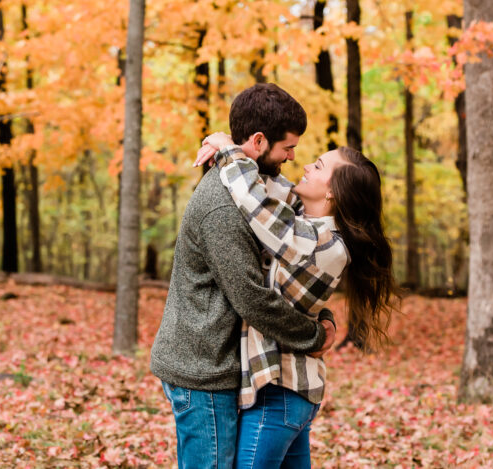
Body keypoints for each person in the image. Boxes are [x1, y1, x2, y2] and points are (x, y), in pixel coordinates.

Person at [150, 84, 337, 469]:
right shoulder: (222, 206)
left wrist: (225, 146)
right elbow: (252, 298)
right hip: (203, 371)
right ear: (258, 141)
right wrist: (315, 336)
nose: (291, 157)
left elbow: (297, 210)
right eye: (288, 148)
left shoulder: (250, 188)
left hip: (218, 365)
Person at [194, 131, 397, 468]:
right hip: (287, 391)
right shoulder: (308, 223)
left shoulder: (320, 241)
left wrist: (229, 151)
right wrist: (237, 146)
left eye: (317, 166)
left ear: (332, 192)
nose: (304, 165)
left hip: (281, 391)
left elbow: (256, 204)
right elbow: (268, 188)